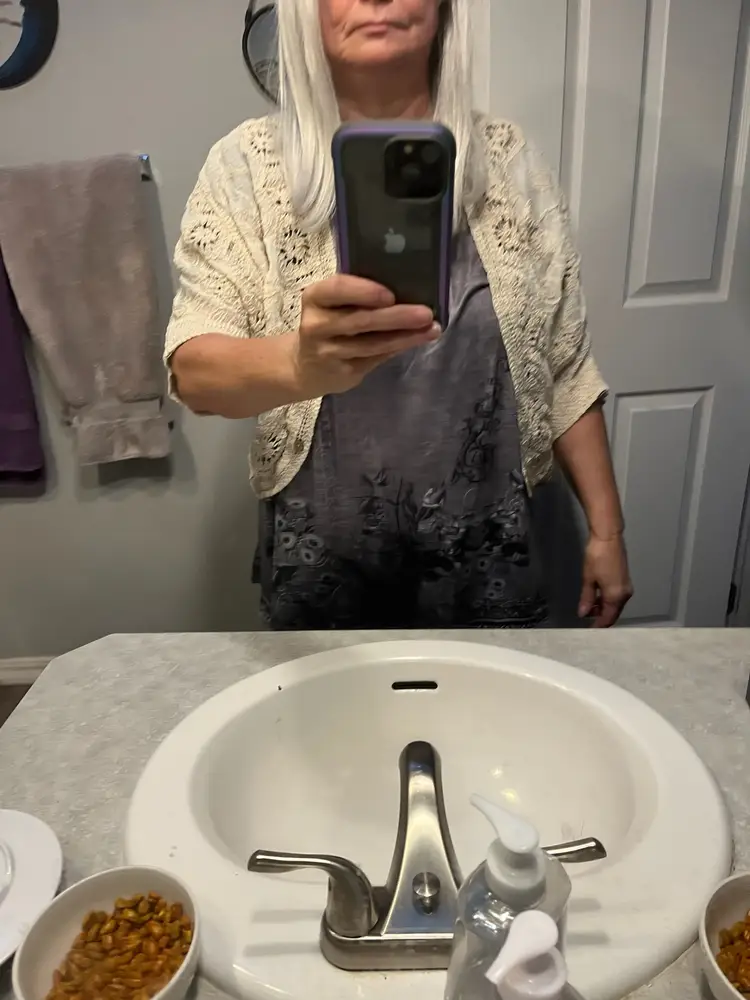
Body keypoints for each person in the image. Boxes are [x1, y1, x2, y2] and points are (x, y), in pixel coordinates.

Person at [165, 0, 633, 630]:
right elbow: (195, 373)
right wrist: (299, 363)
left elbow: (566, 365)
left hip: (490, 558)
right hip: (327, 566)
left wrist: (607, 530)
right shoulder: (246, 166)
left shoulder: (507, 160)